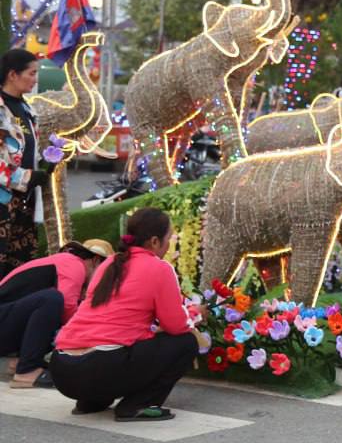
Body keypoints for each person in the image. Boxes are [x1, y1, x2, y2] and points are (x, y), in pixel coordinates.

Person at [49, 208, 199, 421]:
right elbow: (176, 326)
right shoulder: (159, 268)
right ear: (155, 241)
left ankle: (91, 401)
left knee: (115, 347)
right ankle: (137, 405)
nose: (168, 245)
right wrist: (193, 314)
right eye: (168, 238)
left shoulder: (109, 263)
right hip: (100, 368)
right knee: (186, 343)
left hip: (62, 370)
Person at [0, 240, 112, 387]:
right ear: (96, 260)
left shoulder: (62, 264)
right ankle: (27, 370)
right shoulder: (73, 263)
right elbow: (68, 307)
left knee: (53, 308)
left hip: (6, 325)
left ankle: (24, 363)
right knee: (51, 299)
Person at [0, 49, 50, 278]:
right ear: (13, 75)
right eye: (31, 73)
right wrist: (27, 177)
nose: (35, 79)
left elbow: (27, 150)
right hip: (4, 201)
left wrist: (46, 163)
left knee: (20, 268)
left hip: (25, 201)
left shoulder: (27, 109)